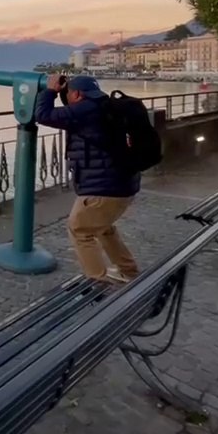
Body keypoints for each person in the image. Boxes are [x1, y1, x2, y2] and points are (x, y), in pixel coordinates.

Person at [35, 74, 141, 286]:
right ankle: (129, 272)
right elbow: (68, 114)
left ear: (77, 94)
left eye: (69, 93)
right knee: (103, 227)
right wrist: (62, 92)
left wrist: (50, 91)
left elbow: (43, 115)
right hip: (124, 184)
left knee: (80, 230)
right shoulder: (104, 106)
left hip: (103, 188)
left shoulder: (84, 110)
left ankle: (98, 282)